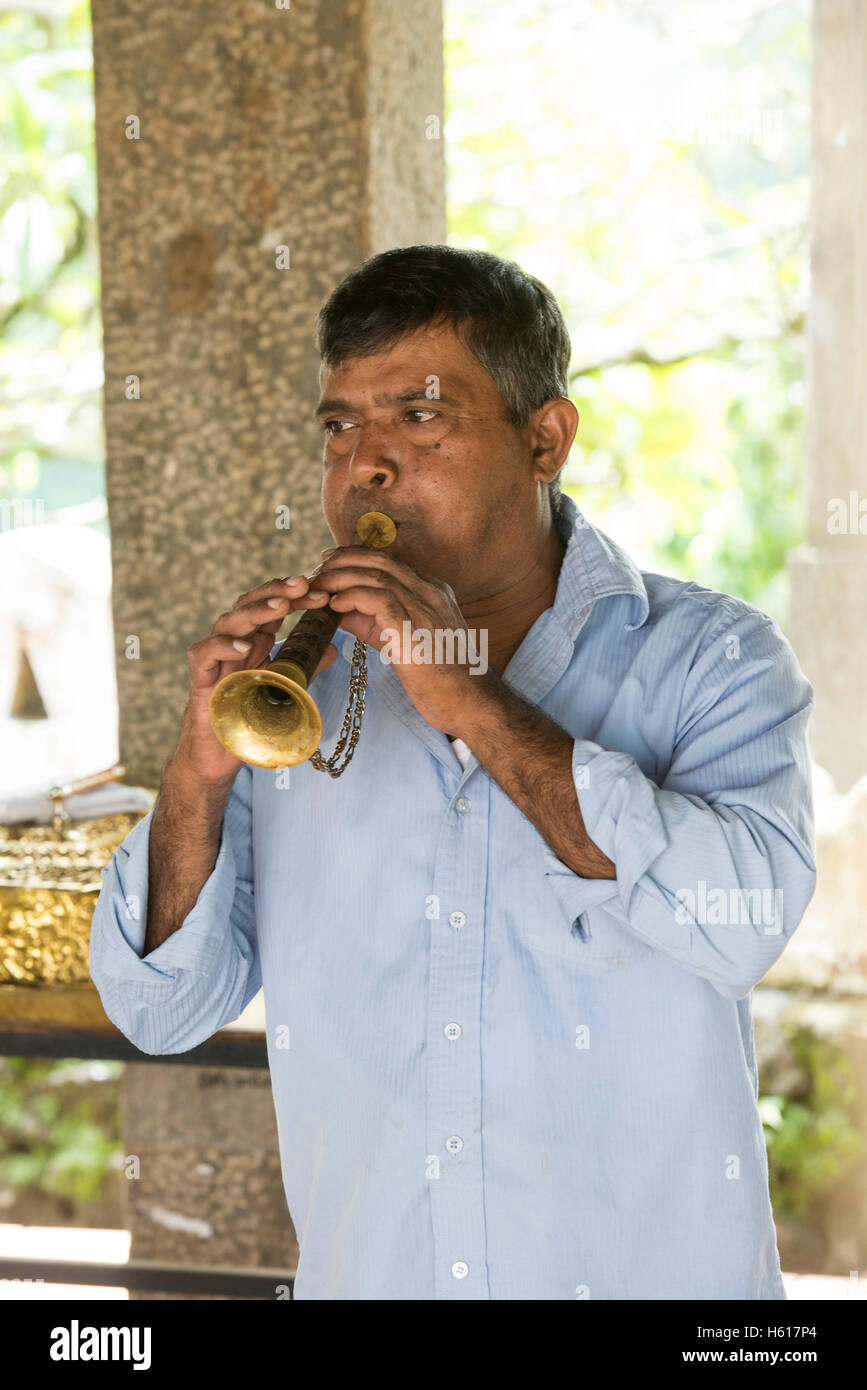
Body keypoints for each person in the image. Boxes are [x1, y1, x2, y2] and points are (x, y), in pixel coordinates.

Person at [90, 244, 816, 1300]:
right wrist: (199, 771)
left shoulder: (716, 658)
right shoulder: (300, 691)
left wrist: (466, 696)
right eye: (341, 427)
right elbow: (161, 1010)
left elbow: (742, 919)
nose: (367, 467)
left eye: (419, 417)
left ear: (545, 440)